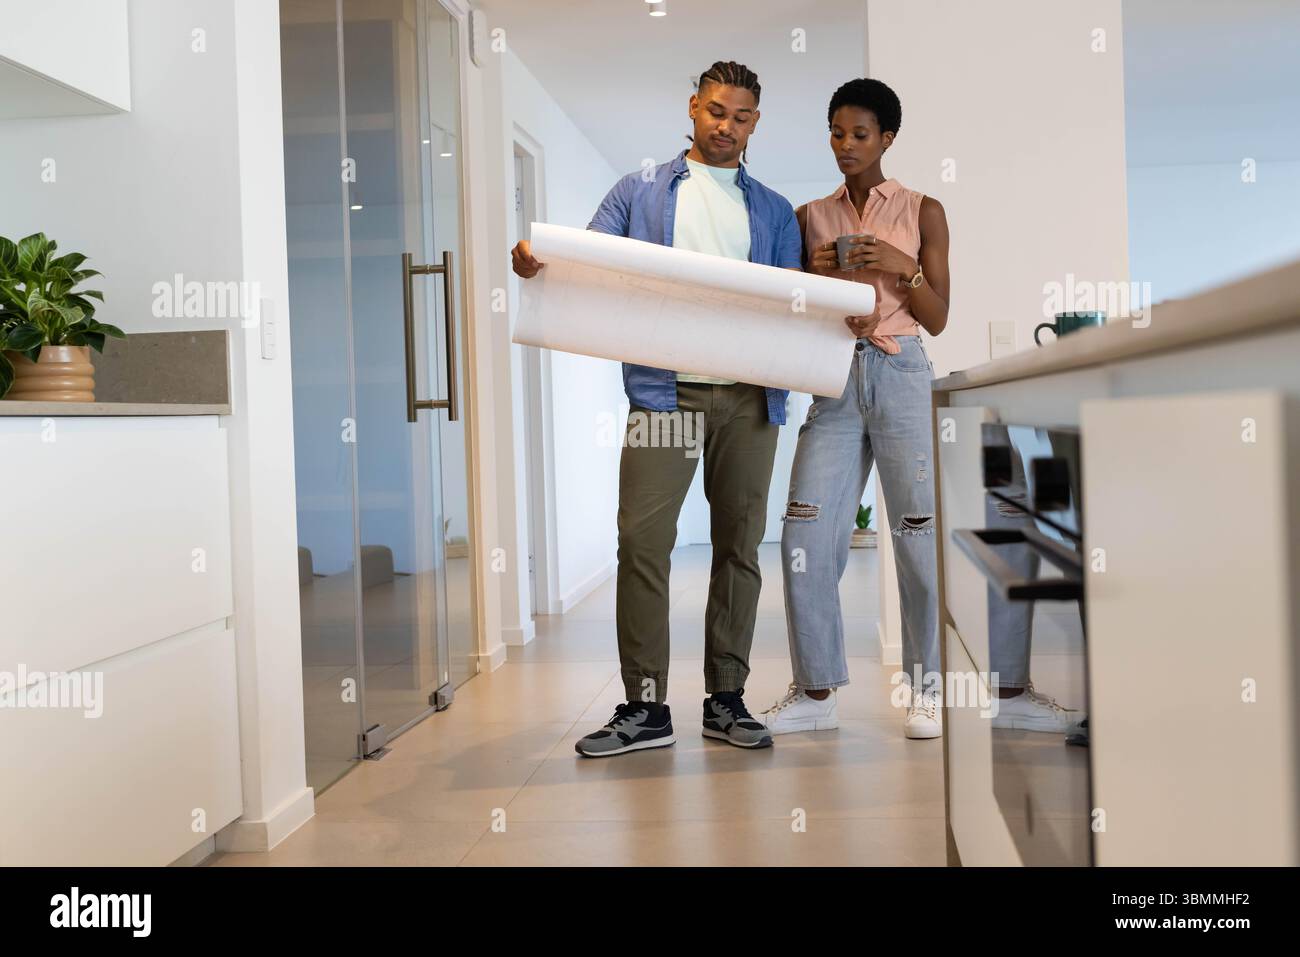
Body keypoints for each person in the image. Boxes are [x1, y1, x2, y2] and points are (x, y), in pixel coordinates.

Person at [511, 61, 804, 757]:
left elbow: (792, 303)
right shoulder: (638, 190)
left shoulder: (772, 210)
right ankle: (645, 708)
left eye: (740, 116)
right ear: (693, 109)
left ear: (754, 123)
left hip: (748, 395)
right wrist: (535, 258)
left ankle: (725, 699)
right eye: (714, 111)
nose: (725, 126)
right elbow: (583, 256)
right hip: (665, 392)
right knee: (643, 543)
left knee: (739, 545)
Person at [758, 77, 952, 739]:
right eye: (836, 132)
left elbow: (940, 317)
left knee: (920, 537)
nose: (845, 145)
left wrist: (903, 266)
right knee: (805, 535)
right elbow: (793, 312)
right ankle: (816, 692)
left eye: (859, 134)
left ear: (887, 138)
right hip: (836, 378)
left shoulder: (925, 210)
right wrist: (810, 281)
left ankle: (928, 691)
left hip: (902, 372)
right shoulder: (811, 215)